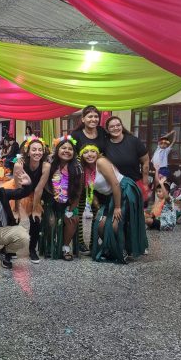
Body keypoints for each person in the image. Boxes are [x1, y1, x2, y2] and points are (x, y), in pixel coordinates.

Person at [80, 144, 148, 263]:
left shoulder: (101, 162)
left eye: (92, 151)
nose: (89, 154)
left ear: (97, 153)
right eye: (85, 152)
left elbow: (115, 184)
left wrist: (117, 207)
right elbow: (91, 191)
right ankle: (113, 248)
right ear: (81, 156)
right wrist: (98, 207)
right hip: (111, 196)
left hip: (125, 190)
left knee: (115, 224)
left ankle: (123, 249)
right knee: (100, 225)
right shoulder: (86, 169)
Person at [37, 136, 82, 261]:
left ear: (74, 152)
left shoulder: (77, 167)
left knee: (72, 219)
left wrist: (71, 209)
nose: (67, 151)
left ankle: (65, 247)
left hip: (69, 202)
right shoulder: (49, 163)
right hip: (50, 201)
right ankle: (50, 246)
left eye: (70, 149)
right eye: (63, 148)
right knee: (51, 221)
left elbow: (78, 192)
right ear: (57, 150)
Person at [72, 105, 109, 254]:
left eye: (96, 116)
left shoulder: (102, 132)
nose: (93, 119)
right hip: (81, 178)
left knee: (97, 209)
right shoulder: (76, 135)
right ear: (83, 119)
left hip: (98, 177)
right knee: (80, 210)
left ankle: (94, 242)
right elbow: (70, 154)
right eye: (90, 116)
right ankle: (80, 242)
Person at [12, 137, 50, 262]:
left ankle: (32, 249)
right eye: (34, 150)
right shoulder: (19, 165)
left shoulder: (46, 166)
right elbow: (17, 189)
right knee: (14, 218)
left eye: (40, 150)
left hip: (35, 194)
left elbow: (39, 189)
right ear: (28, 152)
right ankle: (10, 249)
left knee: (36, 219)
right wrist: (16, 209)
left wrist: (35, 209)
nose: (37, 152)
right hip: (20, 193)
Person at [104, 116, 150, 202]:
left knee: (135, 209)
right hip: (113, 186)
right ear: (107, 129)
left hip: (134, 185)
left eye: (118, 125)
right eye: (112, 126)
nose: (116, 128)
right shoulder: (104, 143)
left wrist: (145, 183)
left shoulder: (134, 141)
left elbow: (145, 162)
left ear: (122, 126)